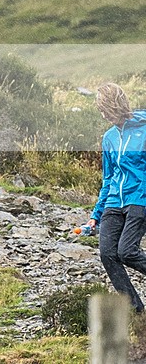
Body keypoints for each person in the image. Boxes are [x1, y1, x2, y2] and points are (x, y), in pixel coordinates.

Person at [86, 82, 146, 313]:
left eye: (105, 109)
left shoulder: (143, 129)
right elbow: (108, 178)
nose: (103, 115)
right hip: (113, 202)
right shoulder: (109, 137)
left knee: (127, 252)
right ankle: (136, 311)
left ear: (116, 106)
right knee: (108, 254)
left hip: (139, 200)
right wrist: (95, 216)